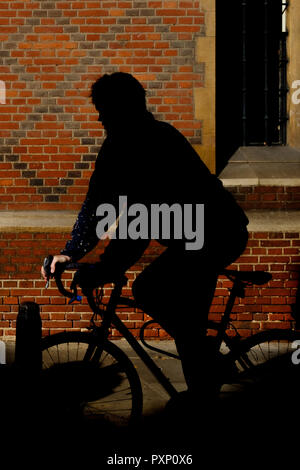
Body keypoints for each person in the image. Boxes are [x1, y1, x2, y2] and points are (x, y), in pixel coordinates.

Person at [41, 72, 249, 407]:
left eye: (104, 108)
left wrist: (106, 268)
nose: (99, 117)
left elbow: (140, 221)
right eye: (98, 108)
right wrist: (70, 252)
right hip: (191, 239)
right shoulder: (116, 147)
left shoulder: (155, 142)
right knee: (181, 318)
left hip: (217, 233)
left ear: (126, 107)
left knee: (151, 290)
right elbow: (98, 204)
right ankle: (202, 385)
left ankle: (203, 375)